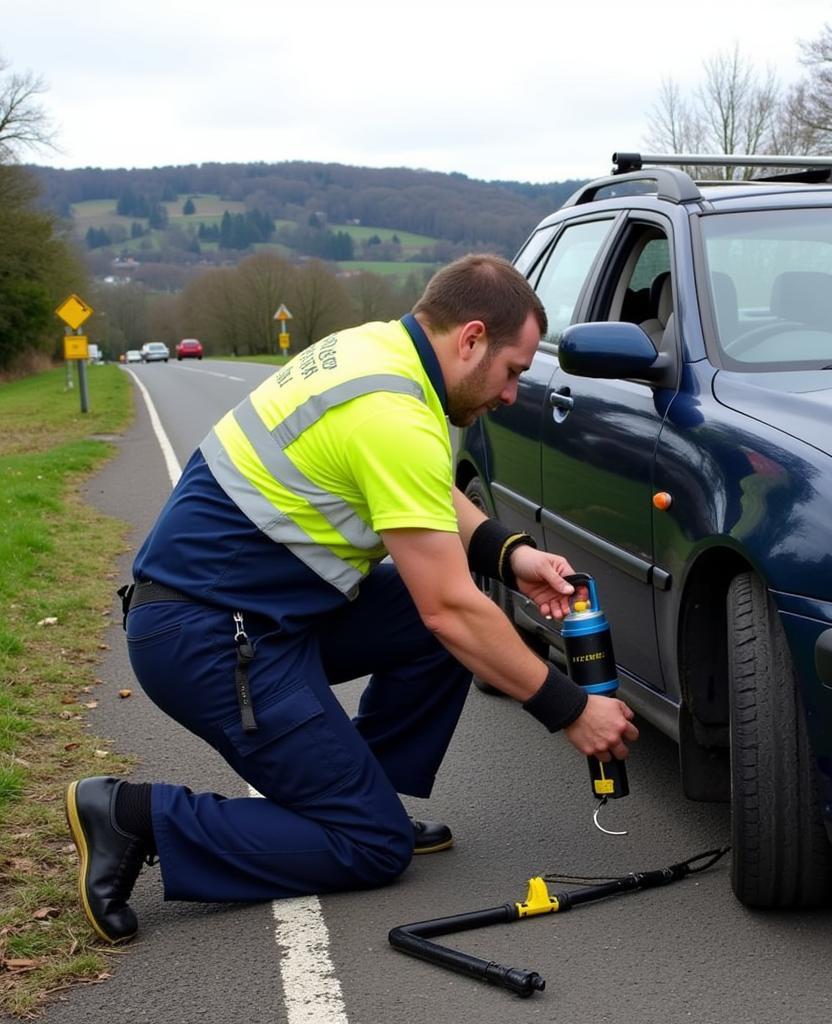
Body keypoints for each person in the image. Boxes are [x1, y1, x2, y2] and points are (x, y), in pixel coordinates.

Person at [64, 254, 638, 944]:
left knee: (433, 617)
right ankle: (133, 817)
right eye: (514, 371)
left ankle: (360, 791)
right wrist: (570, 709)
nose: (513, 394)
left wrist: (509, 556)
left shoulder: (379, 352)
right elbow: (450, 609)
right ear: (472, 338)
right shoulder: (393, 411)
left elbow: (420, 488)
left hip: (258, 612)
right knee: (371, 846)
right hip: (209, 638)